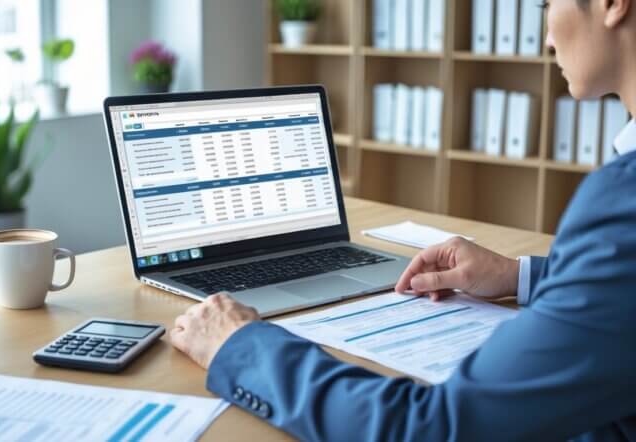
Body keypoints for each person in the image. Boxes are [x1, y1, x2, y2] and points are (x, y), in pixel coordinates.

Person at [170, 0, 636, 440]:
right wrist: (519, 275)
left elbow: (433, 428)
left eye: (546, 4)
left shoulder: (622, 202)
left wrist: (242, 347)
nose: (547, 39)